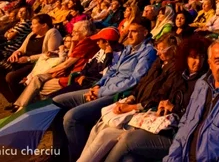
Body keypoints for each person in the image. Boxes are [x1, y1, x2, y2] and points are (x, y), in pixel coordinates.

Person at [52, 18, 157, 161]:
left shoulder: (147, 51)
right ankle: (59, 153)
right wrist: (97, 85)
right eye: (128, 32)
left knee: (72, 118)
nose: (129, 35)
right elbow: (112, 69)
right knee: (56, 103)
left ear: (145, 32)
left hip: (115, 95)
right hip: (102, 88)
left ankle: (77, 157)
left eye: (134, 32)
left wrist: (101, 92)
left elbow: (134, 80)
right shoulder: (128, 48)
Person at [77, 34, 179, 162]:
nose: (158, 53)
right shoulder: (159, 63)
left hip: (145, 111)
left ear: (173, 49)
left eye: (161, 50)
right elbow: (141, 82)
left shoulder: (175, 68)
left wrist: (132, 107)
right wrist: (131, 97)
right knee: (98, 128)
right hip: (133, 104)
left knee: (98, 130)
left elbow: (160, 96)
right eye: (157, 49)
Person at [14, 20, 98, 109]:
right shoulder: (82, 41)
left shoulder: (86, 42)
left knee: (37, 88)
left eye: (75, 31)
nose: (72, 33)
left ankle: (25, 109)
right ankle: (22, 107)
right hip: (67, 72)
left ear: (84, 32)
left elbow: (66, 64)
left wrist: (48, 71)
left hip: (72, 76)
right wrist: (73, 42)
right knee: (37, 79)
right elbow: (70, 55)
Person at [0, 13, 62, 108]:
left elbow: (51, 54)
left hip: (36, 64)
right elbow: (22, 49)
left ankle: (24, 102)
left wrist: (29, 59)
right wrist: (16, 53)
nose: (31, 26)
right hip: (22, 61)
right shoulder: (32, 34)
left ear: (44, 25)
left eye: (34, 23)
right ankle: (15, 101)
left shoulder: (52, 33)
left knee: (11, 77)